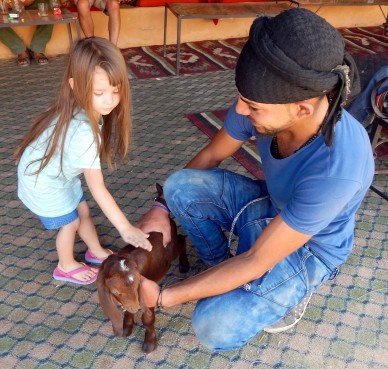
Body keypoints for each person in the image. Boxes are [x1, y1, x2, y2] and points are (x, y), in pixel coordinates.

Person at [138, 8, 375, 351]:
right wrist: (161, 207)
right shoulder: (264, 104)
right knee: (179, 186)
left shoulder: (339, 167)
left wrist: (164, 297)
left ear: (303, 108)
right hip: (271, 203)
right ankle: (220, 270)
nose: (241, 110)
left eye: (252, 106)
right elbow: (209, 157)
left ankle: (264, 289)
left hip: (309, 249)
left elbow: (256, 260)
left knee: (213, 327)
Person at [15, 37, 152, 285]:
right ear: (75, 85)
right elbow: (97, 187)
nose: (109, 100)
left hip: (56, 174)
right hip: (42, 181)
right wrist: (125, 228)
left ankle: (95, 251)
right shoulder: (83, 133)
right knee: (71, 222)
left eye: (116, 90)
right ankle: (65, 265)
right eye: (99, 92)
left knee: (83, 209)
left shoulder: (82, 109)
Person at [0, 0, 52, 66]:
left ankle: (37, 48)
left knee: (47, 6)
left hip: (30, 4)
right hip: (5, 7)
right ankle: (20, 50)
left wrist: (24, 2)